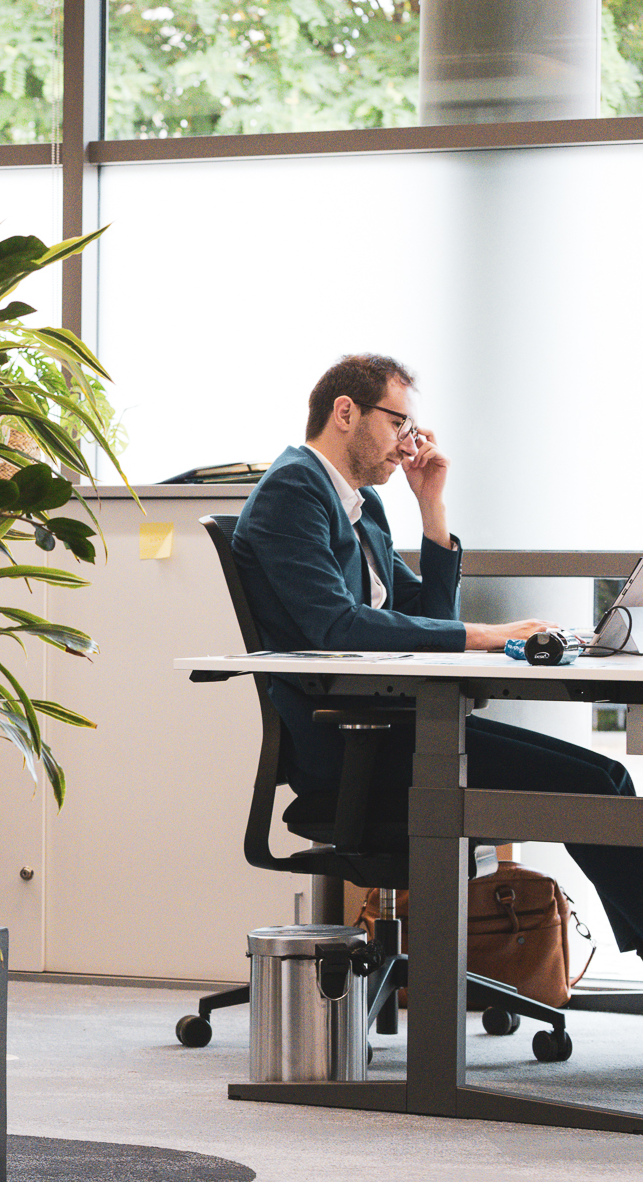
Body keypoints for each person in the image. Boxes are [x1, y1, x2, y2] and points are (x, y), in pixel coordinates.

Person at [232, 352, 643, 953]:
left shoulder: (359, 504)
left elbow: (427, 620)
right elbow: (338, 629)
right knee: (592, 786)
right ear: (346, 412)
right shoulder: (293, 490)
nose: (408, 445)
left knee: (605, 775)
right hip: (350, 744)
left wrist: (431, 509)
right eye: (399, 424)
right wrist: (491, 634)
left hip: (397, 730)